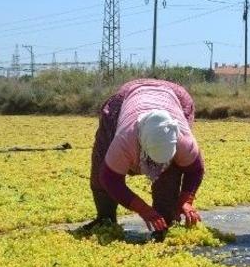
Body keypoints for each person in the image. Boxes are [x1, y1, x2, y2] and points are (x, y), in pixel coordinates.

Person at [87, 78, 204, 235]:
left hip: (175, 97)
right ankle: (105, 218)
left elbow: (195, 170)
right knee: (102, 162)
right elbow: (110, 178)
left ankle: (165, 222)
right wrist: (143, 209)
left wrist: (186, 201)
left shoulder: (183, 141)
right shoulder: (125, 140)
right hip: (128, 98)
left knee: (171, 173)